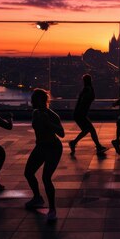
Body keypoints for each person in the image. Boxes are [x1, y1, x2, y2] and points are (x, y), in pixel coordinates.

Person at [24, 89, 64, 221]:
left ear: (40, 101)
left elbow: (62, 133)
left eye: (33, 100)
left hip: (53, 147)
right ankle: (37, 198)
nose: (31, 102)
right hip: (41, 146)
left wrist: (48, 123)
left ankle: (52, 209)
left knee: (46, 178)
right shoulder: (35, 113)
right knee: (28, 172)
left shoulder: (52, 115)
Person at [69, 74, 107, 155]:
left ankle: (74, 142)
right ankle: (98, 146)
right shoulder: (88, 89)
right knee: (91, 130)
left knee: (87, 130)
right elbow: (85, 101)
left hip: (79, 114)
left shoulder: (85, 89)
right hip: (81, 114)